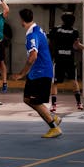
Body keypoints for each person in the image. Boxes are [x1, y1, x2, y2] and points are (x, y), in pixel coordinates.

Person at [12, 8, 62, 138]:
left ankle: (54, 128)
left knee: (35, 101)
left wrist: (21, 74)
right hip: (38, 71)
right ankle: (53, 118)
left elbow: (33, 56)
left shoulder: (31, 35)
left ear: (22, 20)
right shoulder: (38, 28)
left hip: (41, 71)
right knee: (27, 99)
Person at [48, 12, 84, 112]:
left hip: (58, 60)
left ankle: (53, 105)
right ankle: (79, 104)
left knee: (55, 83)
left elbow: (49, 39)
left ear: (63, 19)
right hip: (69, 60)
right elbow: (76, 45)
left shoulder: (56, 29)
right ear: (72, 21)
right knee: (73, 81)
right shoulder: (74, 31)